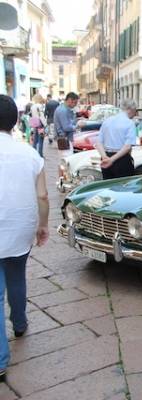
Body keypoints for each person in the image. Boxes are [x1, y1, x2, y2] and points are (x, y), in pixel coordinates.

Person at [0, 95, 49, 382]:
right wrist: (43, 226)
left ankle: (1, 360)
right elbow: (42, 196)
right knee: (17, 276)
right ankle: (19, 323)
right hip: (20, 229)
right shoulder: (30, 153)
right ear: (16, 121)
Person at [96, 99, 138, 180]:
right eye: (135, 110)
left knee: (107, 187)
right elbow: (127, 147)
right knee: (124, 187)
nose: (135, 113)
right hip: (122, 159)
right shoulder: (130, 123)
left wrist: (104, 157)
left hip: (106, 156)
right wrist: (111, 160)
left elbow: (98, 142)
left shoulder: (107, 121)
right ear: (131, 109)